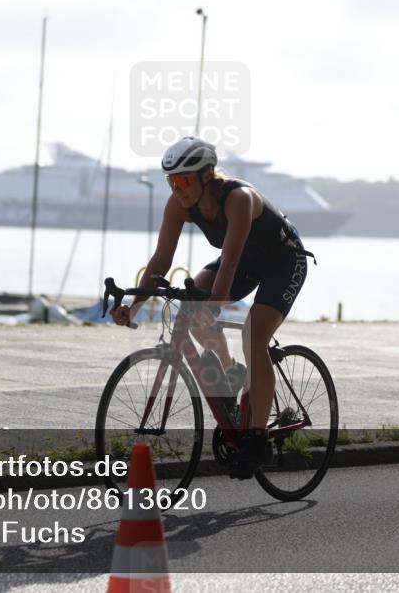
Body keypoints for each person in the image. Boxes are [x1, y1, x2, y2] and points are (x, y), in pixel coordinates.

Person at [111, 137, 313, 478]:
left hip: (283, 261)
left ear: (207, 175)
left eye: (185, 180)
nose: (178, 189)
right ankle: (231, 372)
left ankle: (257, 439)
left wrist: (214, 307)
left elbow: (230, 265)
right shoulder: (179, 205)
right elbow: (161, 259)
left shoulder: (238, 199)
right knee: (191, 309)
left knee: (253, 335)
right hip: (246, 263)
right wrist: (133, 304)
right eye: (172, 182)